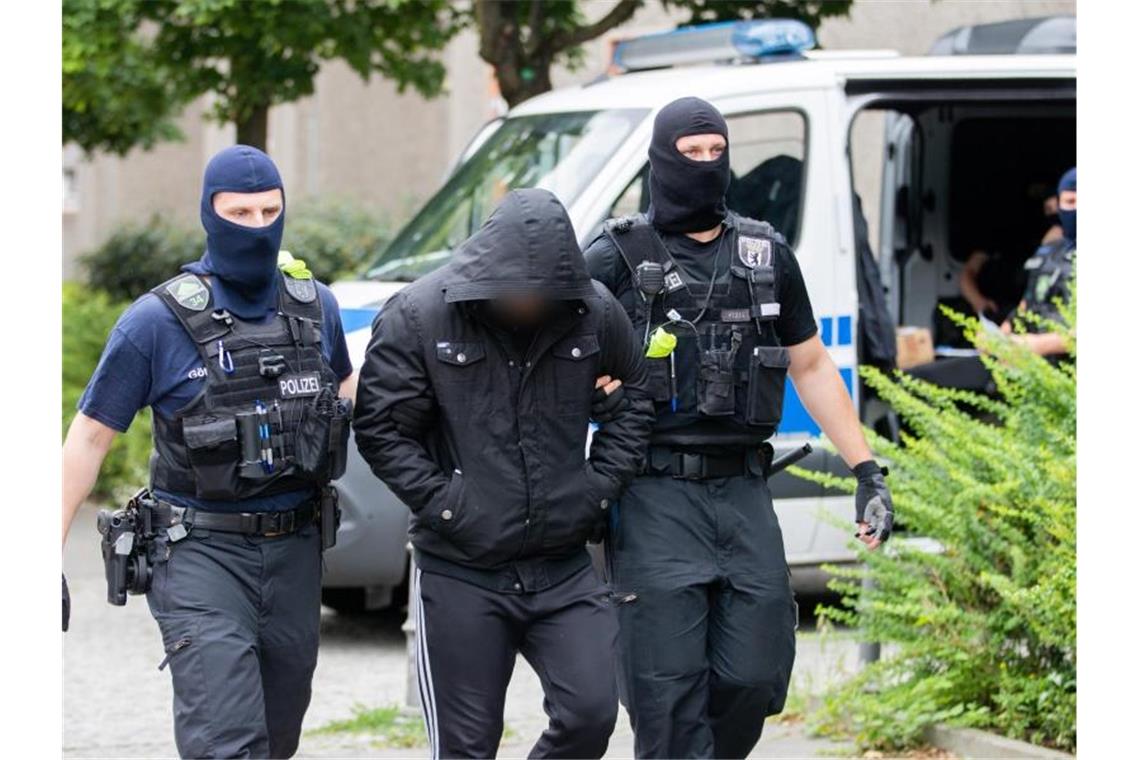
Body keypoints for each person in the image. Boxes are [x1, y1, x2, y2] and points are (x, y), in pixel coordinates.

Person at [583, 97, 894, 759]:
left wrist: (868, 470)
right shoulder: (615, 254)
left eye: (714, 151)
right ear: (662, 159)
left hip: (746, 492)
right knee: (666, 696)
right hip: (652, 493)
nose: (703, 165)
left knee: (755, 675)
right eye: (689, 153)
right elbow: (555, 348)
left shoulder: (765, 251)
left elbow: (810, 362)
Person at [61, 145, 355, 759]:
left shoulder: (315, 308)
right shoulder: (154, 322)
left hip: (296, 549)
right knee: (226, 741)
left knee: (278, 738)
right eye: (239, 212)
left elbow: (351, 398)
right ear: (209, 213)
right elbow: (89, 437)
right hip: (198, 552)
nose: (256, 227)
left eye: (269, 211)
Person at [353, 188, 655, 759]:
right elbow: (381, 430)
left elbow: (637, 395)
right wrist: (450, 505)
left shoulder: (592, 310)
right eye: (517, 290)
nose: (529, 303)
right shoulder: (419, 315)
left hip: (562, 565)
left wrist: (595, 490)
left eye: (544, 293)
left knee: (591, 715)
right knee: (468, 747)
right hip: (461, 569)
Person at [909, 166, 1076, 391]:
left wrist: (1038, 345)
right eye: (1069, 201)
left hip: (1064, 374)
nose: (1072, 209)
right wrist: (1000, 338)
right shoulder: (1050, 251)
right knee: (918, 381)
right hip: (1032, 369)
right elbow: (1028, 302)